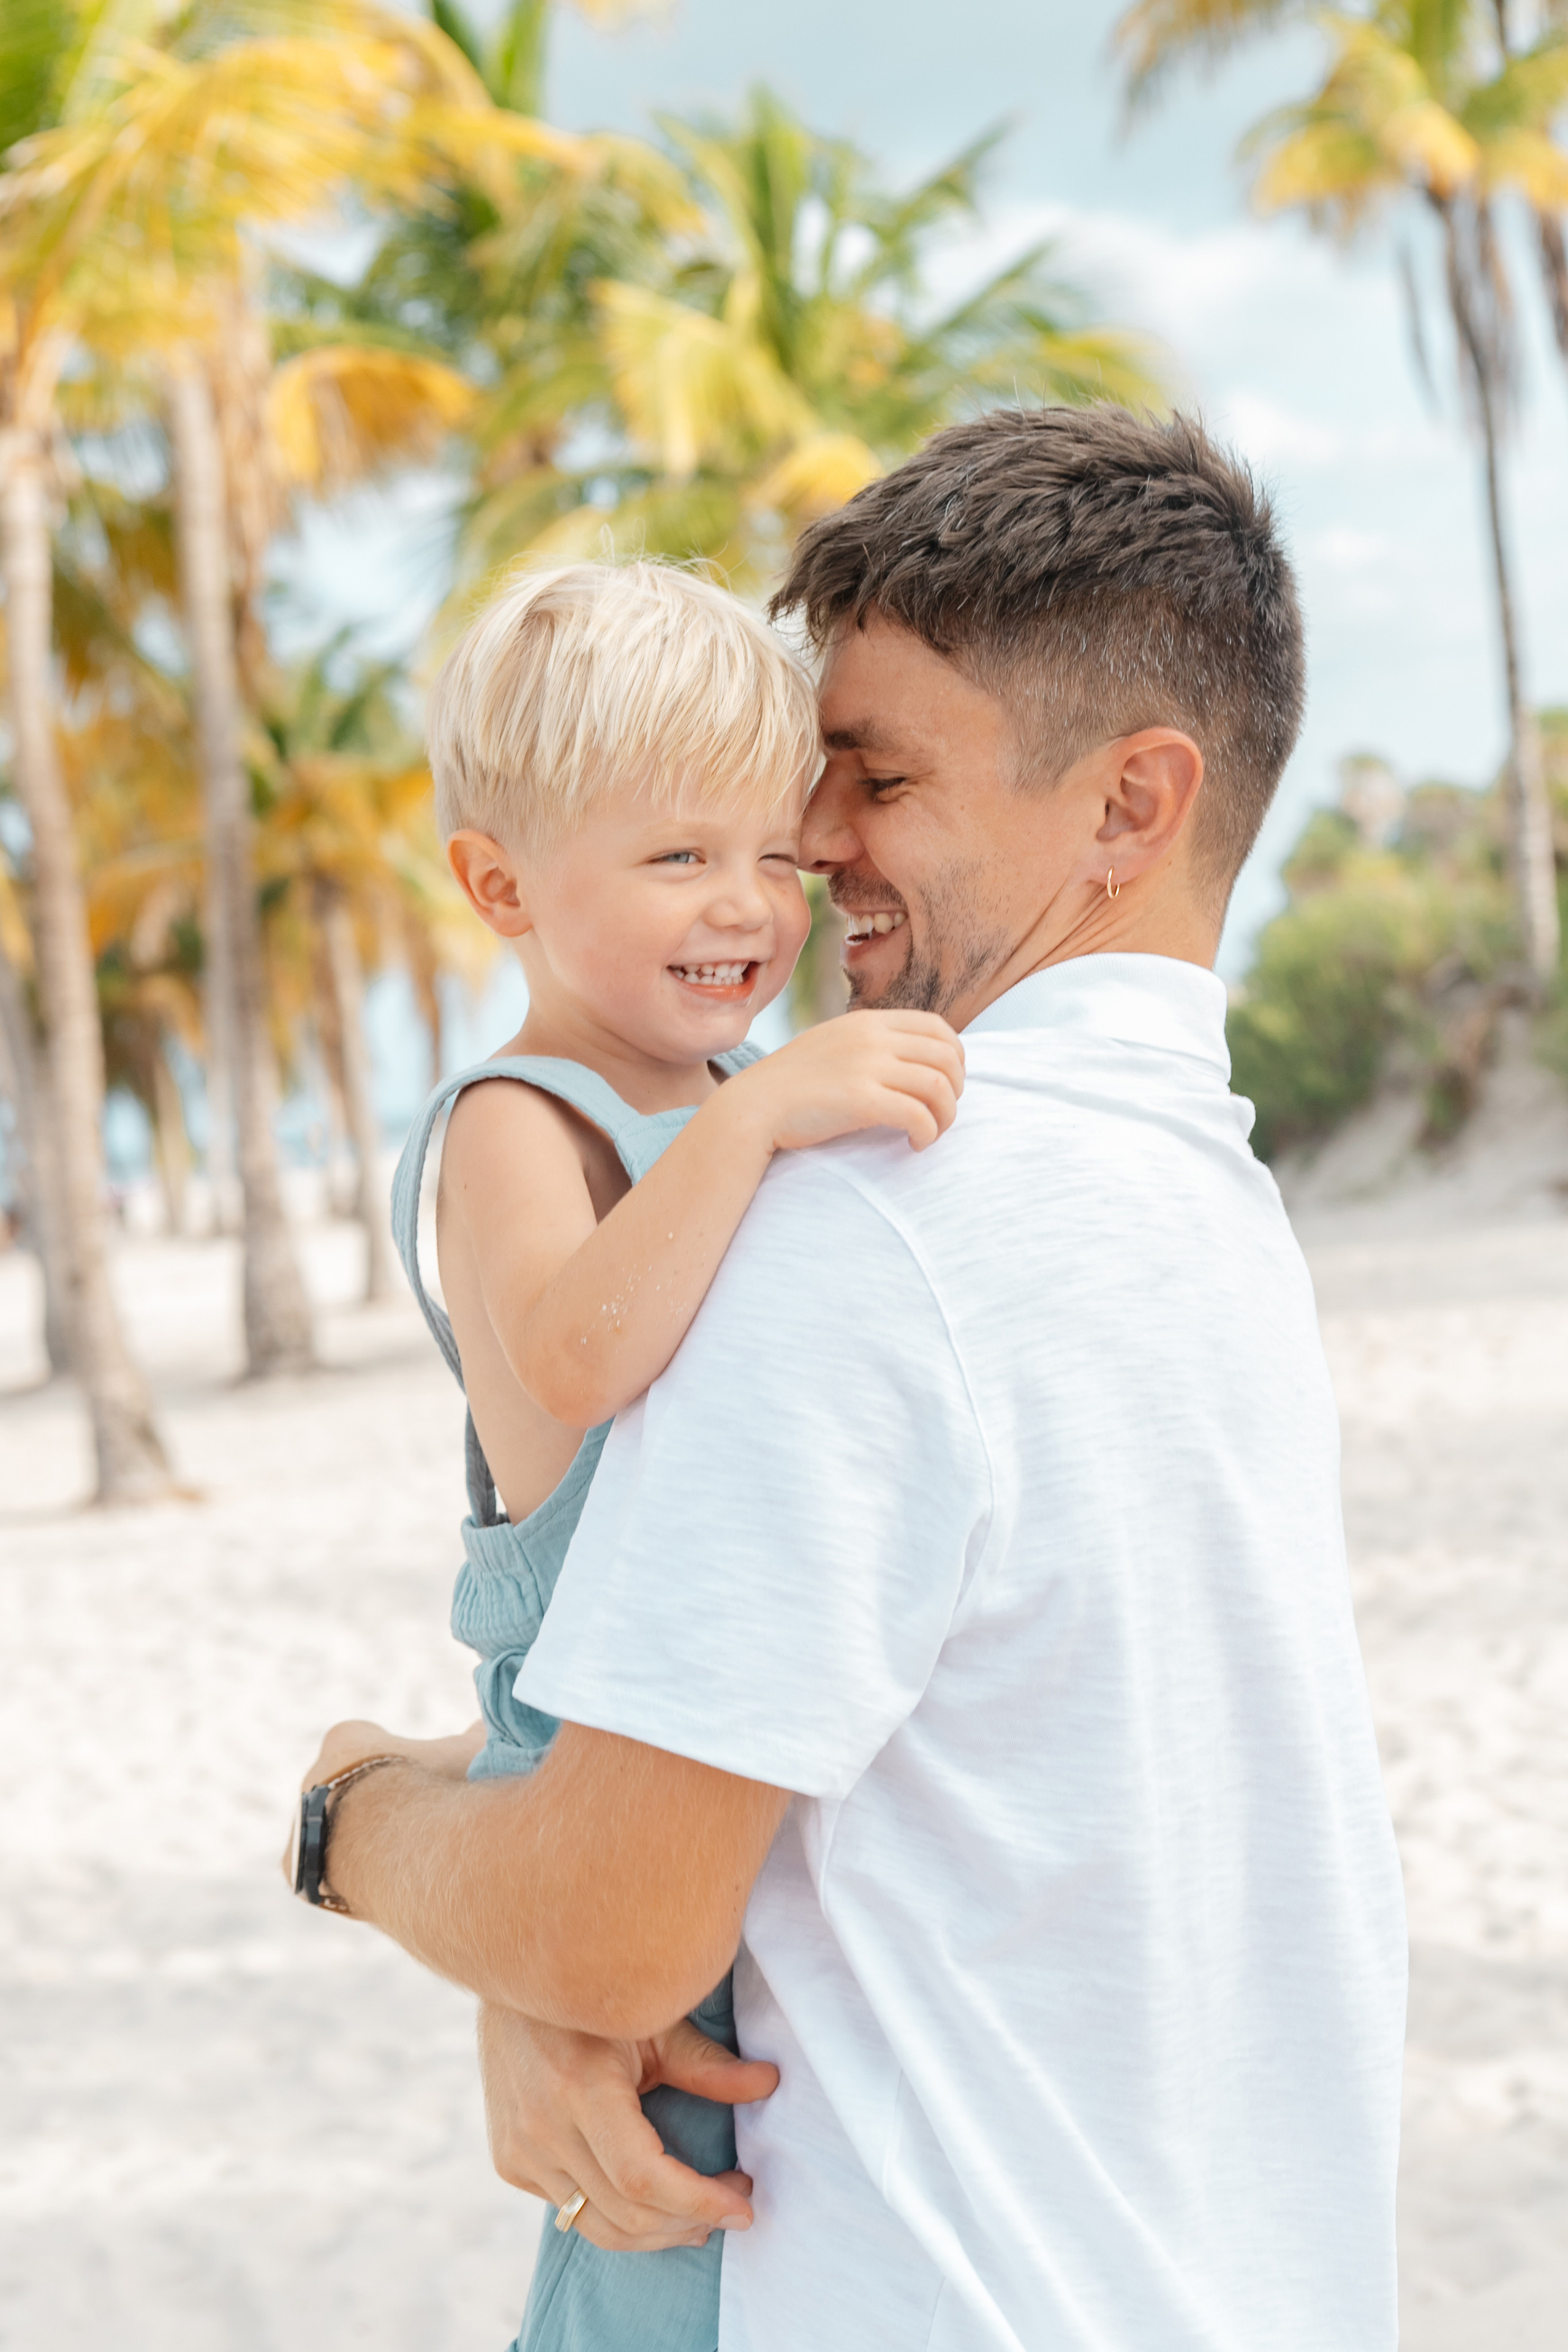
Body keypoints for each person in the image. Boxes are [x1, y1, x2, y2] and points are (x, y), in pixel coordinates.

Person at [294, 405, 1408, 2352]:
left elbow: (618, 1922)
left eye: (869, 779)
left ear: (1133, 807)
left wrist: (352, 1826)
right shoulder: (1215, 1211)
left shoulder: (871, 1209)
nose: (806, 853)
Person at [329, 559, 964, 2351]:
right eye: (679, 858)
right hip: (595, 1732)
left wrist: (761, 1104)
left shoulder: (727, 1086)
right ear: (500, 885)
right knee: (654, 2230)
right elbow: (582, 1354)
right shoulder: (521, 1120)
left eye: (776, 854)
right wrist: (762, 1115)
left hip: (717, 1719)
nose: (751, 906)